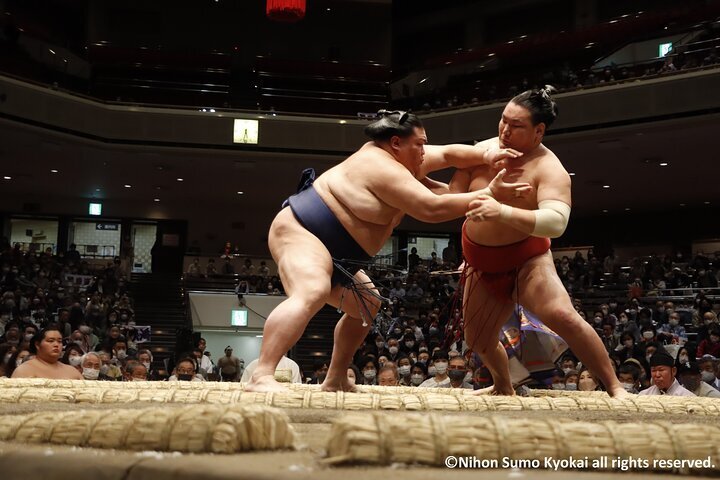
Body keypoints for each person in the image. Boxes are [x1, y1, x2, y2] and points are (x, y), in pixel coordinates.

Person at [247, 110, 530, 393]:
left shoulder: (406, 159)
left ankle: (335, 379)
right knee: (312, 290)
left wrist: (485, 157)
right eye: (419, 144)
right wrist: (490, 194)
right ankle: (262, 374)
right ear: (396, 143)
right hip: (303, 231)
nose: (424, 150)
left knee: (367, 305)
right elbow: (430, 208)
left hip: (339, 253)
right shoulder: (380, 165)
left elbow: (447, 155)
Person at [448, 86, 627, 397]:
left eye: (516, 126)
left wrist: (501, 210)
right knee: (477, 339)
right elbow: (449, 193)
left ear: (538, 131)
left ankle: (614, 385)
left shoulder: (549, 169)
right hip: (480, 263)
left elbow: (556, 222)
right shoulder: (483, 152)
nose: (505, 130)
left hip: (526, 261)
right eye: (503, 120)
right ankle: (503, 385)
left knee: (562, 315)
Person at [12, 327, 82, 379]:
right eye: (51, 341)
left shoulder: (72, 371)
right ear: (37, 345)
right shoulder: (24, 370)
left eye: (59, 341)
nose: (56, 345)